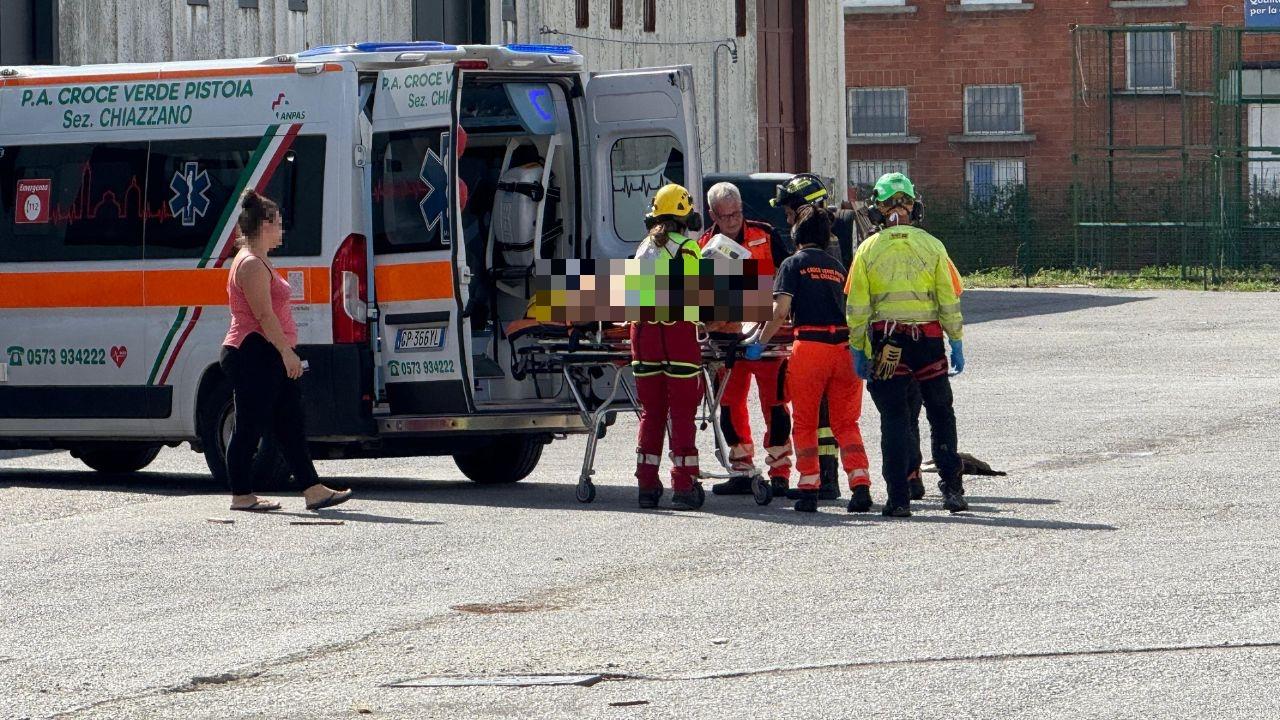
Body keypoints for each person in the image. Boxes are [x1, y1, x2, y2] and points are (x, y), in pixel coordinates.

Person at [220, 189, 352, 513]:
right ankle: (241, 495)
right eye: (278, 223)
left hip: (266, 352)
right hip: (253, 351)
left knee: (290, 421)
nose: (282, 230)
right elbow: (264, 316)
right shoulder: (250, 263)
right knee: (249, 426)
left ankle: (313, 490)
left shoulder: (259, 259)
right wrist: (287, 353)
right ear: (264, 224)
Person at [846, 172, 966, 517]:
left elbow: (857, 308)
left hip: (888, 343)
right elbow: (949, 299)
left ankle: (898, 498)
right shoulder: (933, 246)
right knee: (941, 413)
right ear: (915, 205)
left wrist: (858, 348)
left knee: (895, 419)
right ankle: (952, 490)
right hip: (928, 341)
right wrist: (955, 339)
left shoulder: (867, 249)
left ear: (878, 209)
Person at [748, 205, 871, 513]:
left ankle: (808, 487)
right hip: (844, 348)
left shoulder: (792, 264)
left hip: (811, 348)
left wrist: (759, 344)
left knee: (806, 421)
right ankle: (860, 485)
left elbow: (780, 312)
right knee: (846, 423)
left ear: (797, 234)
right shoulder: (837, 267)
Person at [699, 182, 794, 499]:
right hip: (724, 340)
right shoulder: (703, 243)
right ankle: (742, 470)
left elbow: (787, 275)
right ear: (713, 214)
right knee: (728, 406)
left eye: (736, 213)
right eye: (725, 216)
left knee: (776, 405)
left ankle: (780, 473)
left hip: (767, 335)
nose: (732, 221)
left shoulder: (765, 234)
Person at [768, 173, 857, 501]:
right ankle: (834, 479)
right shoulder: (830, 239)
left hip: (816, 341)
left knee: (818, 417)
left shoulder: (821, 246)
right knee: (833, 417)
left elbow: (791, 300)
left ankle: (823, 480)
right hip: (839, 341)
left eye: (790, 211)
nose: (787, 218)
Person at [631, 184, 705, 511]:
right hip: (677, 335)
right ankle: (684, 484)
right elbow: (695, 299)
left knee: (652, 412)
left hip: (644, 335)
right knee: (682, 412)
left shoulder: (642, 248)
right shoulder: (688, 248)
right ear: (684, 217)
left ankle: (646, 486)